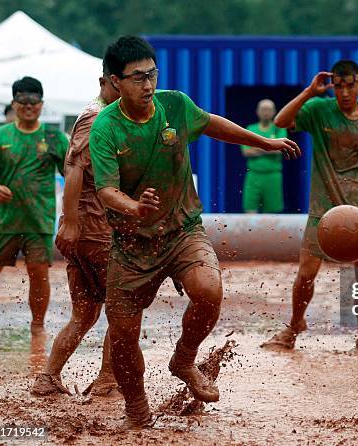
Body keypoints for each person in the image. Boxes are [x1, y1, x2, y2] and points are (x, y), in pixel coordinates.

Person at [89, 36, 300, 427]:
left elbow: (212, 124)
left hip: (183, 230)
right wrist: (134, 207)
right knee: (121, 334)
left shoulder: (174, 104)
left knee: (209, 289)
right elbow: (104, 189)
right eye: (137, 78)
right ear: (116, 82)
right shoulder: (105, 127)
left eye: (152, 74)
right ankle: (136, 404)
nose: (148, 85)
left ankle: (184, 358)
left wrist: (264, 141)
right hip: (131, 243)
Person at [261, 60, 358, 352]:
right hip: (323, 208)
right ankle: (293, 328)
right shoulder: (319, 110)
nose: (344, 92)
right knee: (306, 273)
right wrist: (309, 91)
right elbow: (281, 122)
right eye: (339, 86)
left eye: (350, 85)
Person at [31, 67, 121, 397]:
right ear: (106, 82)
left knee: (84, 314)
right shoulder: (96, 117)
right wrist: (69, 222)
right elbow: (74, 168)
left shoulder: (105, 116)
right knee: (122, 306)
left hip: (86, 230)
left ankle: (48, 377)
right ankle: (108, 379)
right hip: (94, 230)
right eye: (128, 81)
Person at [0, 77, 68, 334]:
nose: (28, 106)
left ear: (41, 104)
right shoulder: (0, 135)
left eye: (33, 101)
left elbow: (71, 171)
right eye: (22, 101)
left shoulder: (53, 137)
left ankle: (38, 326)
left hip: (38, 218)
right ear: (14, 103)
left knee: (38, 272)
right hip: (5, 218)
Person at [241, 99, 287, 213]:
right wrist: (270, 145)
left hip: (273, 176)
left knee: (272, 214)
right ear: (257, 111)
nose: (266, 112)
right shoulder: (251, 129)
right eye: (263, 109)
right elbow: (246, 152)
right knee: (249, 209)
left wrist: (257, 147)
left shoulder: (279, 128)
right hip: (253, 175)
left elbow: (281, 149)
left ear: (274, 112)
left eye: (269, 109)